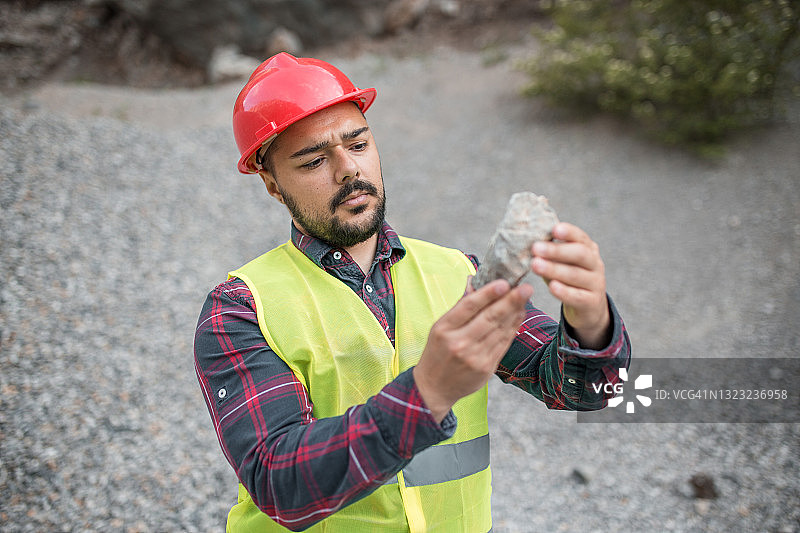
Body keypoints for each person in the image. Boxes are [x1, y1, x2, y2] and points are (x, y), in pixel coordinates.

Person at [194, 52, 631, 533]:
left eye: (358, 144)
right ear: (272, 185)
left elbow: (583, 391)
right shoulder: (240, 309)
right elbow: (280, 482)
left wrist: (590, 319)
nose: (348, 169)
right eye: (315, 160)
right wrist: (429, 393)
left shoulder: (458, 273)